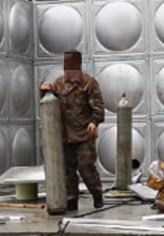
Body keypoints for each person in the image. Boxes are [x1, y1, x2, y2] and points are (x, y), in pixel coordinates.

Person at [40, 51, 105, 211]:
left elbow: (98, 106)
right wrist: (45, 90)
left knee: (86, 167)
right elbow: (49, 103)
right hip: (65, 135)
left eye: (69, 64)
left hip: (84, 134)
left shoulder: (89, 83)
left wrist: (94, 122)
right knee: (68, 170)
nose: (66, 67)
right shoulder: (59, 83)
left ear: (78, 64)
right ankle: (71, 199)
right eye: (64, 64)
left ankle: (97, 194)